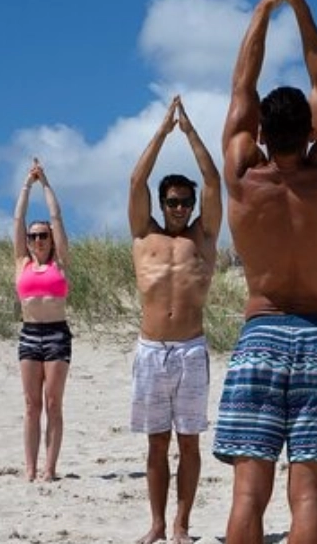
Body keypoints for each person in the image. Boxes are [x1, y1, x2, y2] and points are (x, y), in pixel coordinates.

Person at [211, 0, 317, 543]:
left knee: (249, 493)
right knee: (309, 497)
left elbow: (242, 81)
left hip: (262, 334)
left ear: (263, 136)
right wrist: (299, 3)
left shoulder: (245, 177)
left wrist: (265, 8)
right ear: (314, 134)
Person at [128, 95, 222, 544]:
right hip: (151, 351)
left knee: (188, 442)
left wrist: (190, 133)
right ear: (162, 203)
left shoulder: (202, 237)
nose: (181, 208)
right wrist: (163, 131)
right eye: (173, 202)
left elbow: (213, 181)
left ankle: (183, 525)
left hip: (189, 348)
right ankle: (158, 524)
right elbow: (136, 178)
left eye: (186, 202)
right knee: (156, 443)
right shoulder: (144, 233)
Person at [12, 158, 72, 483]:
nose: (37, 240)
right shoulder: (21, 261)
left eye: (42, 236)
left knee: (53, 402)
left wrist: (45, 182)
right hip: (29, 334)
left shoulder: (60, 262)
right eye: (33, 237)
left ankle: (49, 470)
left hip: (57, 335)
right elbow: (19, 217)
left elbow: (56, 217)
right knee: (31, 405)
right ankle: (30, 469)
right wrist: (26, 184)